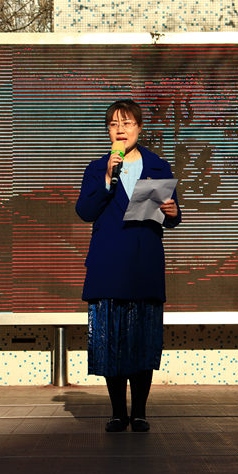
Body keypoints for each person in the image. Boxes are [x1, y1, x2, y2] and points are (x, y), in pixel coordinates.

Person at [75, 99, 181, 432]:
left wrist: (173, 212)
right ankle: (118, 412)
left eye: (127, 123)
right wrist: (108, 178)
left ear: (139, 127)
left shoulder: (158, 165)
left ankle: (141, 412)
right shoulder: (97, 168)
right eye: (114, 124)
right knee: (112, 341)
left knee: (143, 340)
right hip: (109, 264)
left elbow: (172, 215)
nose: (120, 130)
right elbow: (85, 211)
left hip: (143, 262)